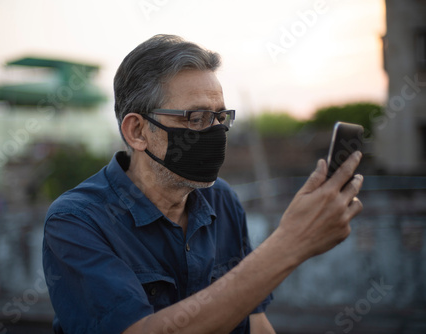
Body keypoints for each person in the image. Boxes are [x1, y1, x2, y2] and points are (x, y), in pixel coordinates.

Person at [42, 34, 364, 334]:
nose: (215, 132)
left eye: (220, 117)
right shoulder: (77, 221)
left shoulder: (220, 200)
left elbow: (253, 320)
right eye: (196, 119)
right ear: (137, 132)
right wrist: (292, 243)